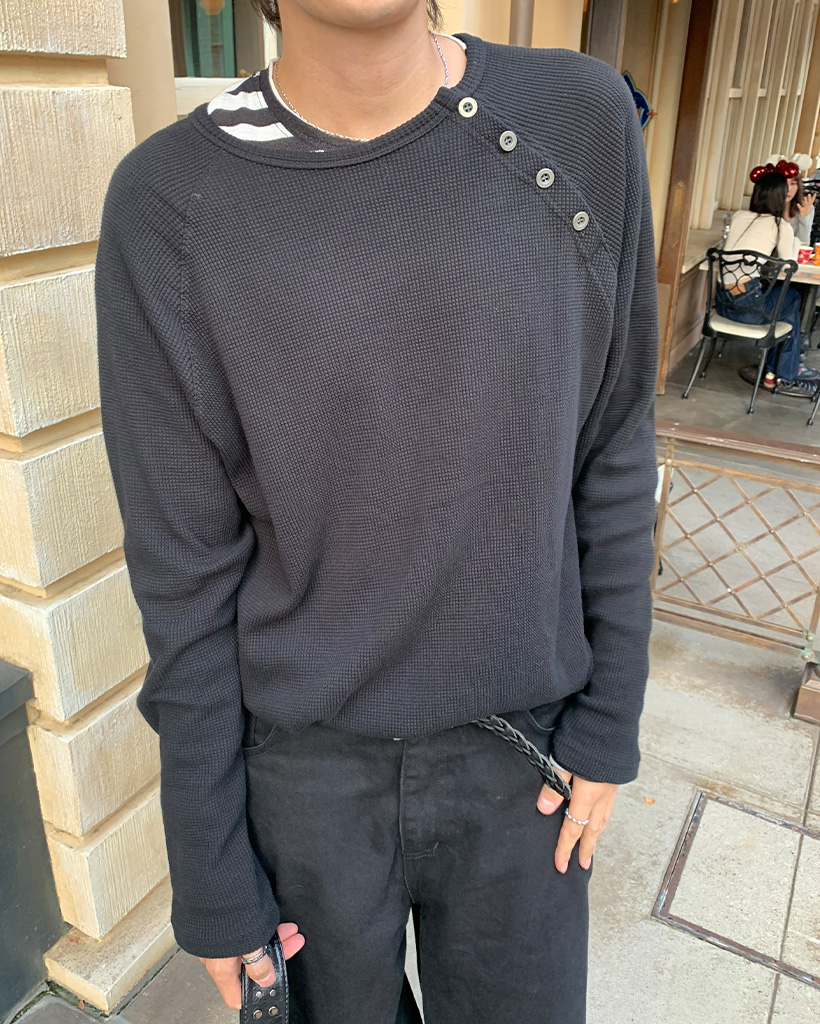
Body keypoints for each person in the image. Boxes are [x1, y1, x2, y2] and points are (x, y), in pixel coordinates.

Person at [95, 2, 659, 1021]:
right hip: (298, 778)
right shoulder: (169, 201)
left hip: (523, 761)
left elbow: (614, 438)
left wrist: (610, 721)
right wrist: (211, 871)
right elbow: (182, 575)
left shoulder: (577, 119)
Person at [718, 164, 820, 397]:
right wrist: (795, 237)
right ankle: (782, 375)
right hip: (747, 308)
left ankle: (775, 372)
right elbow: (791, 262)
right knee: (792, 299)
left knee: (785, 304)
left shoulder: (739, 216)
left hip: (722, 303)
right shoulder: (779, 225)